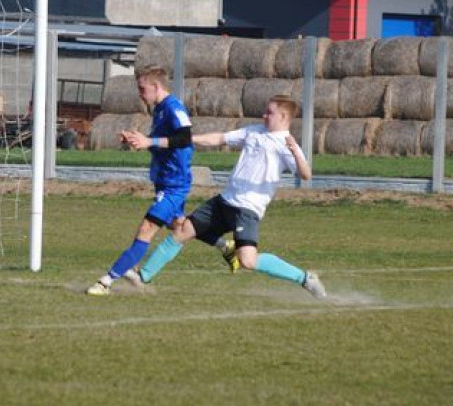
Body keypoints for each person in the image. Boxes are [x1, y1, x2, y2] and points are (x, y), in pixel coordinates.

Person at [125, 95, 327, 299]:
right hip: (224, 201)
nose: (264, 115)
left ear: (284, 116)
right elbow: (220, 138)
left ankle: (305, 278)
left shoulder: (286, 144)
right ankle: (143, 277)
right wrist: (187, 139)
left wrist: (296, 152)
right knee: (183, 229)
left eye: (269, 112)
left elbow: (306, 175)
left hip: (247, 209)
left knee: (247, 261)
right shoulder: (254, 131)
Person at [87, 65, 193, 296]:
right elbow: (158, 143)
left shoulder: (174, 107)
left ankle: (106, 281)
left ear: (156, 87)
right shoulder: (159, 110)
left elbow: (185, 138)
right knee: (180, 227)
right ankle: (224, 246)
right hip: (164, 181)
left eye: (142, 89)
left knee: (146, 229)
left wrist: (149, 143)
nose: (140, 94)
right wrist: (137, 140)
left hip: (175, 185)